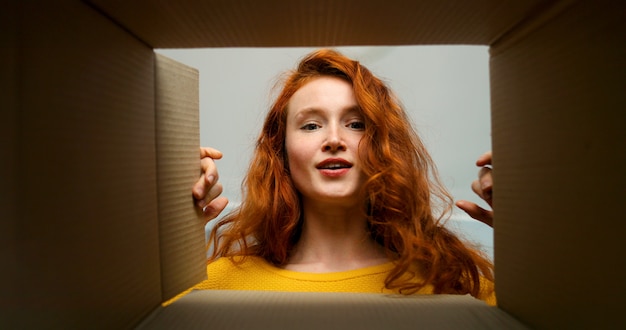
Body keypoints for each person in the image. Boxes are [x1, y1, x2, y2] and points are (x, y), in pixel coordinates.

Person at [191, 49, 496, 305]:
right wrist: (173, 219)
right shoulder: (217, 287)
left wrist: (531, 240)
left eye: (356, 124)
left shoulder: (453, 285)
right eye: (311, 126)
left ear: (385, 146)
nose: (334, 139)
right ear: (280, 151)